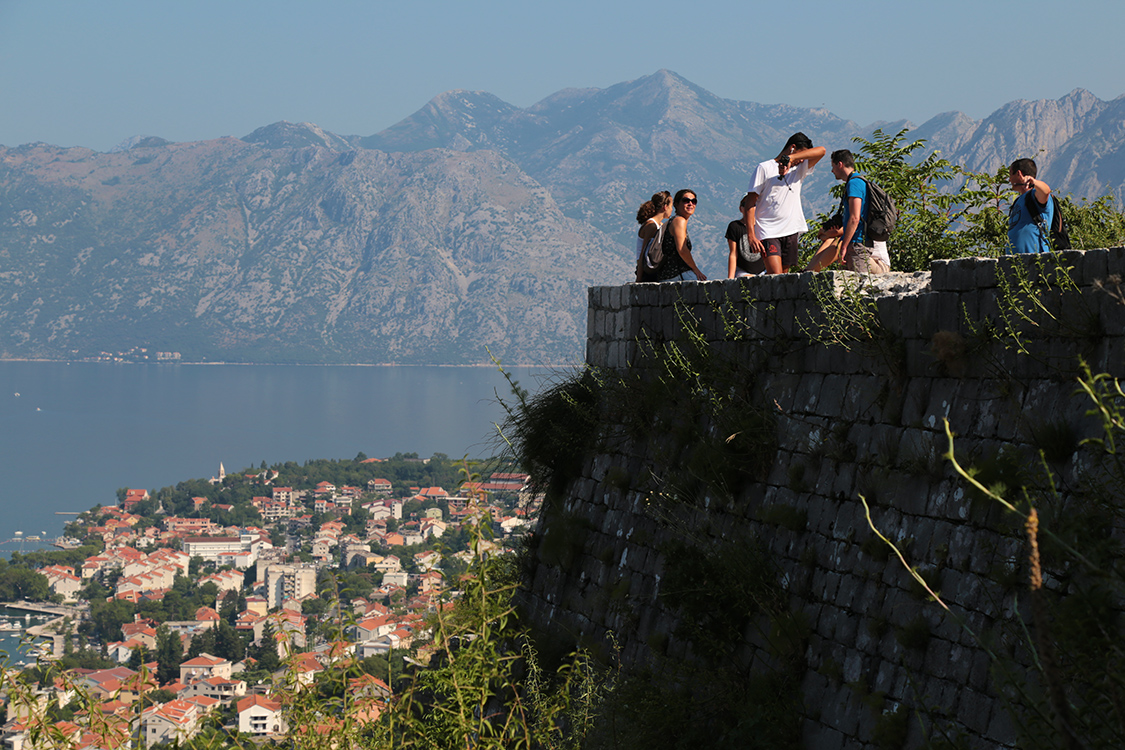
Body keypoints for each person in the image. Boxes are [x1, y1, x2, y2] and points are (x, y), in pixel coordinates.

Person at [742, 133, 826, 274]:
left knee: (784, 277)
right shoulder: (764, 168)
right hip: (768, 231)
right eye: (801, 154)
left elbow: (822, 151)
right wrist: (751, 235)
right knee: (775, 275)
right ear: (792, 147)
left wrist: (792, 159)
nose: (802, 160)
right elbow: (750, 203)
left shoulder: (799, 169)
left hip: (791, 230)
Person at [806, 149, 890, 274]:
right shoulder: (856, 182)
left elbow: (854, 218)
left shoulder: (854, 183)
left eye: (833, 166)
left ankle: (808, 274)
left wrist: (844, 246)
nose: (832, 170)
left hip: (859, 247)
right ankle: (808, 272)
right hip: (856, 246)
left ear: (840, 164)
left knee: (858, 287)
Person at [655, 189, 707, 282]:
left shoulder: (673, 221)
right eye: (686, 201)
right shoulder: (679, 221)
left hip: (667, 276)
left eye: (694, 201)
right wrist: (695, 269)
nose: (690, 204)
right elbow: (682, 249)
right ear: (676, 204)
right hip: (678, 275)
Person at [1007, 158, 1053, 254]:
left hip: (1035, 260)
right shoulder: (1018, 201)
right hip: (1015, 262)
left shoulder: (1034, 196)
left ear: (1019, 174)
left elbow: (1046, 192)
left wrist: (1033, 182)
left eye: (1011, 174)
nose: (1009, 179)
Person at [634, 191, 673, 282]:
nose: (672, 210)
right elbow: (642, 254)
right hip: (646, 271)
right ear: (665, 207)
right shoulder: (651, 226)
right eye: (671, 207)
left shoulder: (659, 225)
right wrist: (639, 280)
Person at [726, 194, 766, 278]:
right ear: (741, 208)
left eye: (754, 205)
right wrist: (730, 278)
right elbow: (733, 253)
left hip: (764, 271)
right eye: (745, 204)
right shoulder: (734, 226)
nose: (749, 207)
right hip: (743, 272)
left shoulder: (763, 226)